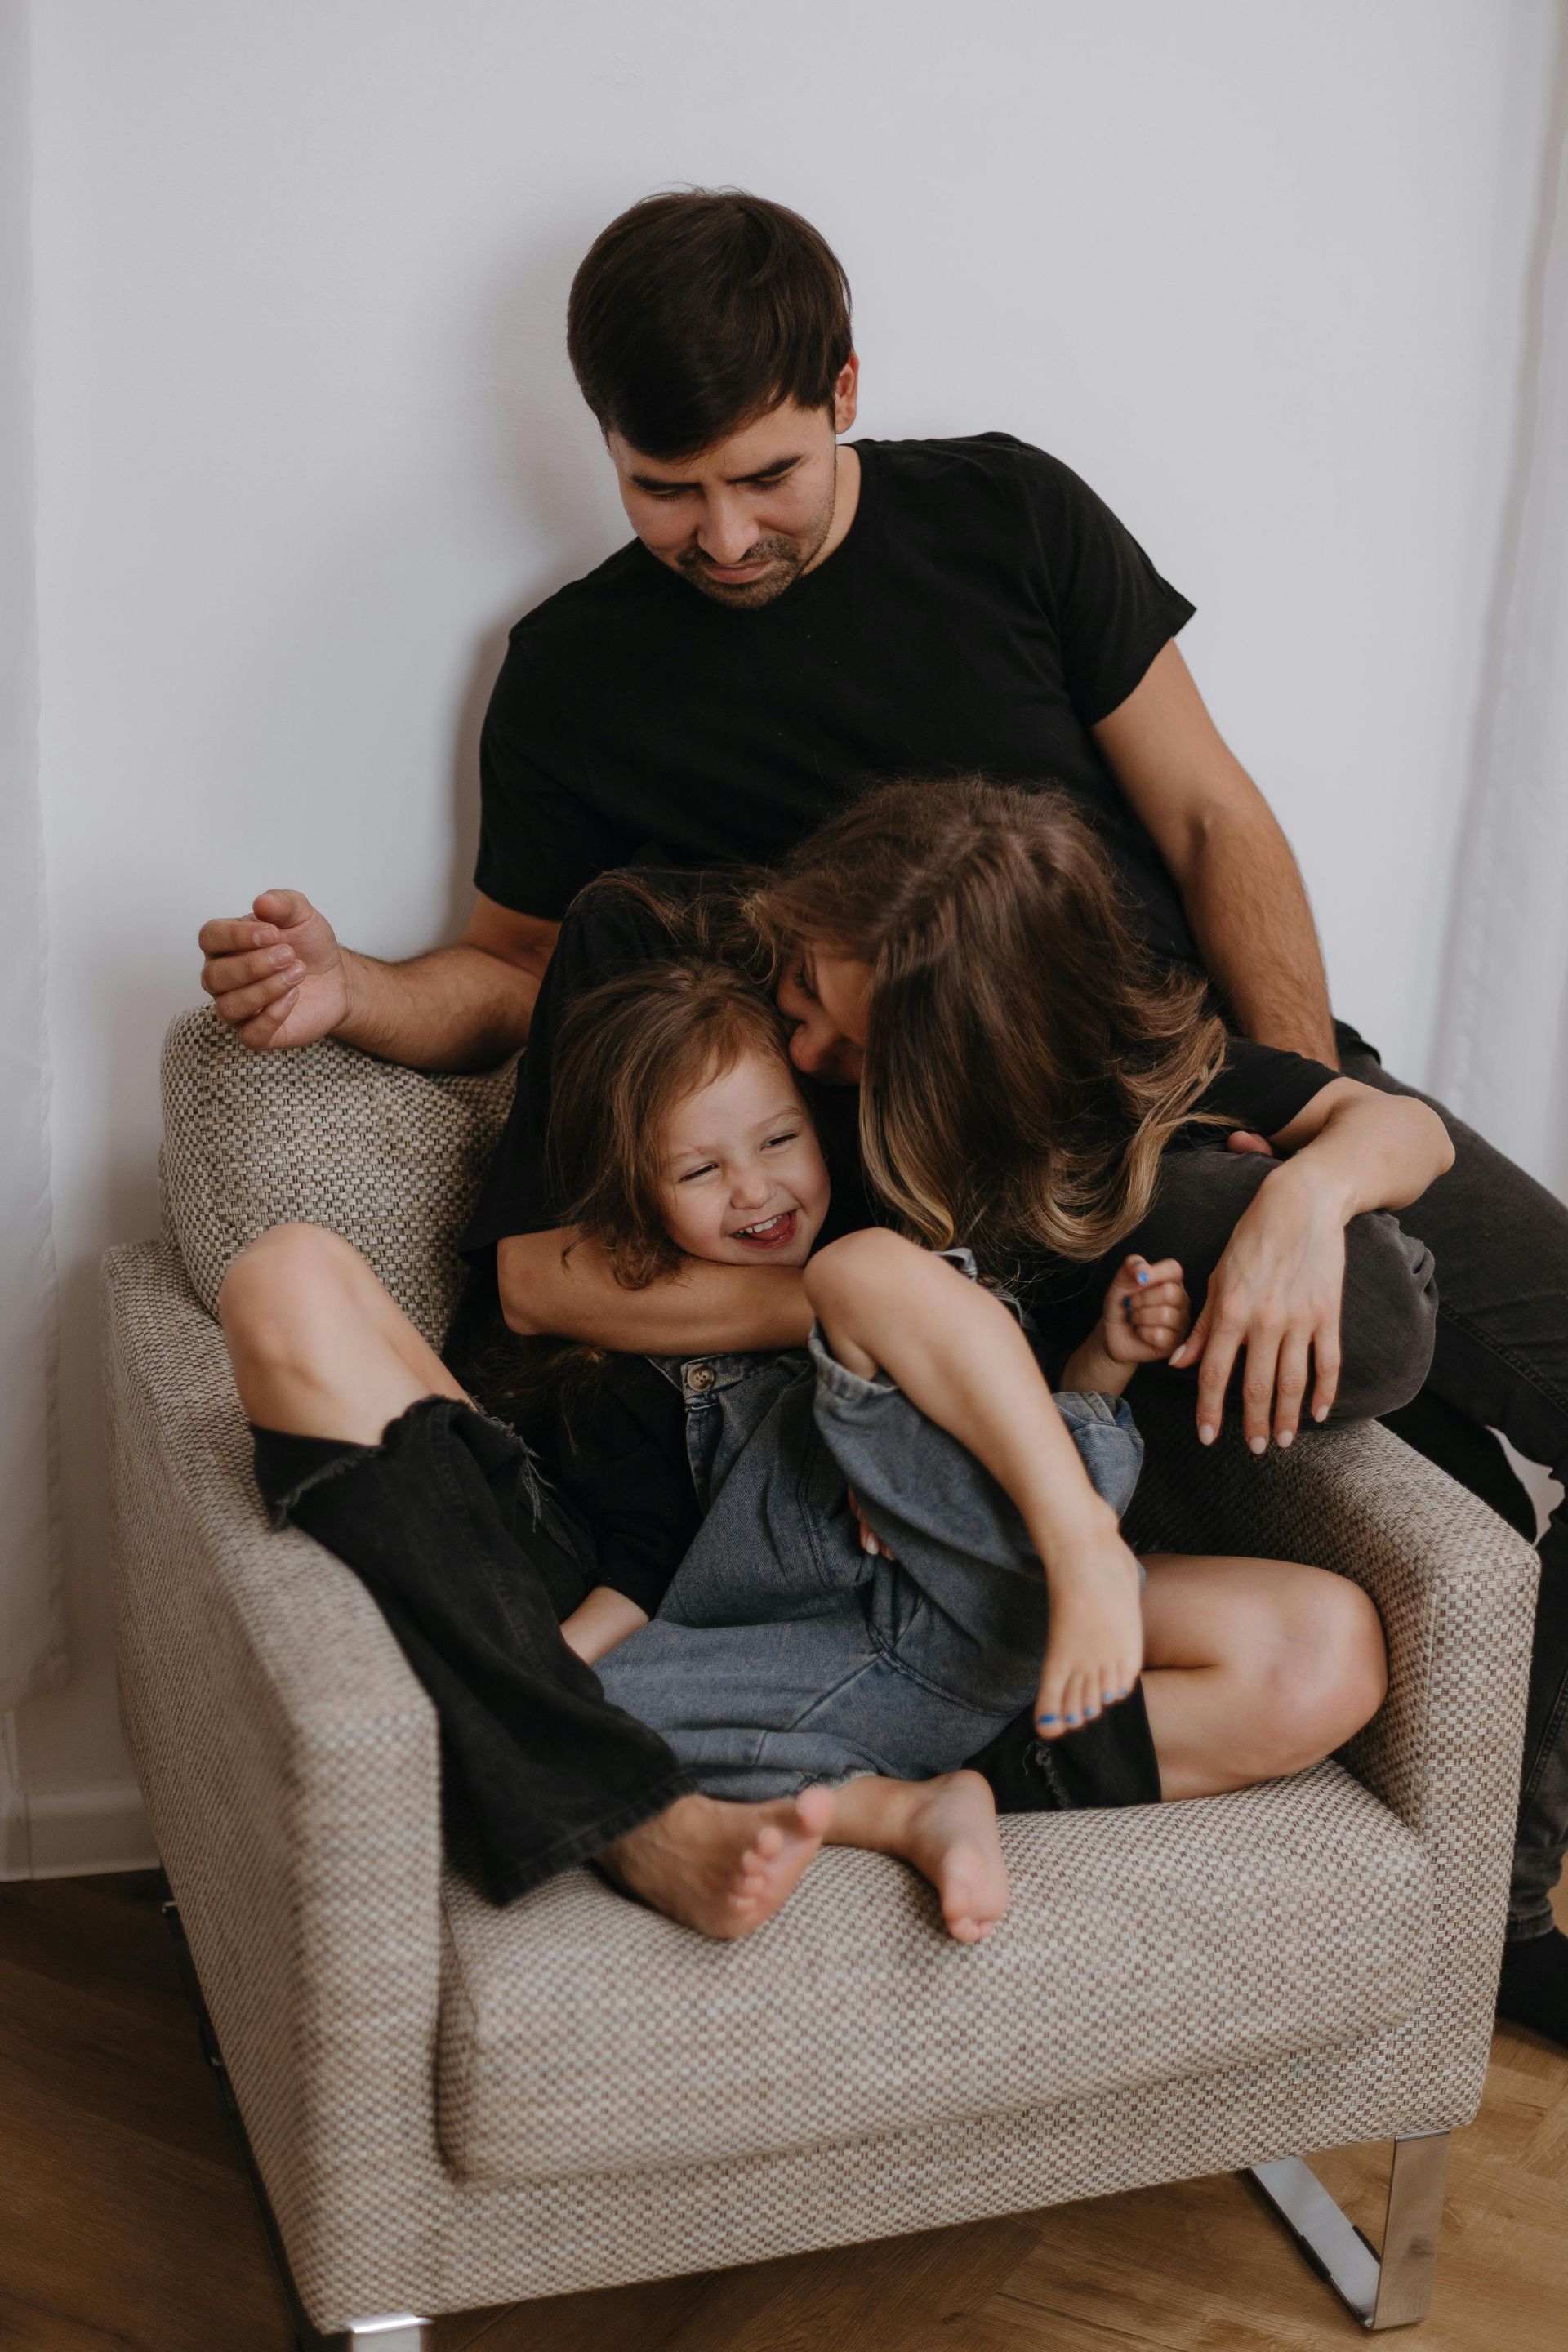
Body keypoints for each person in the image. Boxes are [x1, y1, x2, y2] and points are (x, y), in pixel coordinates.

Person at [194, 188, 1568, 2038]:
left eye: (762, 472)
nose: (723, 532)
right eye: (664, 487)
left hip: (1157, 1094)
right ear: (602, 440)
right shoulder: (587, 690)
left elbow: (1215, 824)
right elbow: (517, 975)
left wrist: (1293, 1136)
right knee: (1393, 1406)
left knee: (1396, 1341)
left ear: (844, 387)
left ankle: (1502, 1868)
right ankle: (1479, 1930)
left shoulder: (1006, 519)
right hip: (951, 1213)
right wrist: (355, 990)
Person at [219, 786, 1441, 1940]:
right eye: (803, 982)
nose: (797, 1037)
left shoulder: (1072, 1078)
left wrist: (1306, 1200)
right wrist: (884, 1339)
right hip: (661, 1583)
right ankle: (645, 1812)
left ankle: (864, 1769)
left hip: (902, 1595)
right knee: (281, 1278)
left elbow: (1405, 1129)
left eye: (840, 1042)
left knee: (1325, 1648)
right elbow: (537, 1284)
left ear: (946, 1061)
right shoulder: (679, 970)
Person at [504, 952, 1388, 1945]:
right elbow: (644, 1567)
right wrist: (542, 1675)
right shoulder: (628, 1379)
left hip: (1004, 1582)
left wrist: (1106, 1355)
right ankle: (921, 1795)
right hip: (833, 1656)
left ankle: (1060, 1593)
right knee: (543, 1727)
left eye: (781, 1138)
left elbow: (1017, 1442)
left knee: (1330, 1650)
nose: (755, 1188)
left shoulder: (883, 1262)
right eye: (701, 1170)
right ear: (637, 1196)